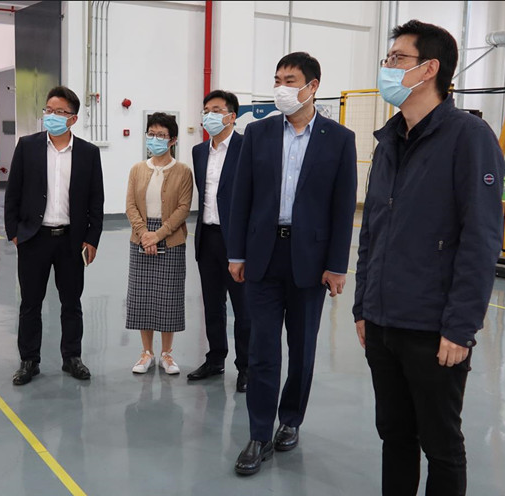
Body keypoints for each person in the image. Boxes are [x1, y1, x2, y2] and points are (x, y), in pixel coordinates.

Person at [353, 21, 504, 496]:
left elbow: (481, 239)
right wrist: (363, 307)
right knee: (395, 436)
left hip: (433, 328)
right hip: (382, 323)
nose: (387, 67)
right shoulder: (389, 140)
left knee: (441, 445)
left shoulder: (469, 137)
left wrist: (460, 326)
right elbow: (372, 231)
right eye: (388, 58)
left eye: (397, 58)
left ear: (429, 69)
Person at [228, 52, 357, 475]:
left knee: (302, 349)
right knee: (263, 349)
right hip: (263, 256)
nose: (281, 88)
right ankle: (258, 433)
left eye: (290, 80)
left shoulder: (339, 139)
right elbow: (241, 197)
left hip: (310, 261)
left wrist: (337, 265)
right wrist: (237, 253)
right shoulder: (258, 133)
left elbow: (342, 208)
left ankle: (291, 420)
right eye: (277, 80)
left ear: (312, 86)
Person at [4, 85, 104, 385]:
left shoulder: (88, 153)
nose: (52, 116)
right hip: (34, 238)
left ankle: (72, 357)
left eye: (59, 112)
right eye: (49, 110)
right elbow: (13, 192)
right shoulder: (28, 146)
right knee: (30, 303)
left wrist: (92, 239)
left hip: (71, 240)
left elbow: (96, 200)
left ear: (73, 119)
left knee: (71, 302)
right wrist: (15, 233)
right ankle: (29, 361)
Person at [187, 90, 251, 392]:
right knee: (212, 304)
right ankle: (215, 359)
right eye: (206, 110)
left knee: (243, 308)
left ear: (231, 116)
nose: (209, 116)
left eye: (216, 110)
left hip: (236, 240)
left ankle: (246, 366)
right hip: (207, 236)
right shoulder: (199, 152)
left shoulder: (246, 147)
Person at [125, 112, 193, 376]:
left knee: (168, 297)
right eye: (151, 134)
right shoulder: (137, 169)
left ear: (172, 140)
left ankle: (166, 353)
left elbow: (183, 208)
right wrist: (145, 234)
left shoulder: (183, 171)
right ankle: (146, 352)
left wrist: (158, 235)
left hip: (171, 239)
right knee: (142, 296)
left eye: (161, 135)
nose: (155, 139)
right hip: (141, 237)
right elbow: (131, 205)